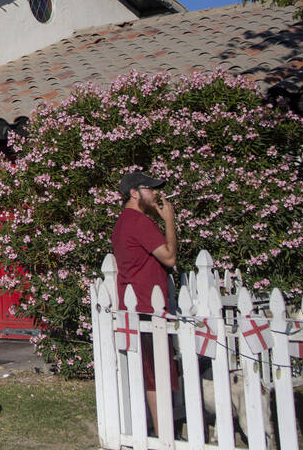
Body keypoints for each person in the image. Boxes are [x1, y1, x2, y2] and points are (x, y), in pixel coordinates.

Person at [111, 170, 178, 432]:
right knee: (156, 373)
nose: (156, 194)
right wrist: (169, 221)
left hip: (138, 304)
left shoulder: (123, 222)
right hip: (147, 306)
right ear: (134, 193)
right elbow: (170, 257)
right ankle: (164, 434)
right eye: (150, 189)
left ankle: (159, 431)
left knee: (152, 370)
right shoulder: (139, 222)